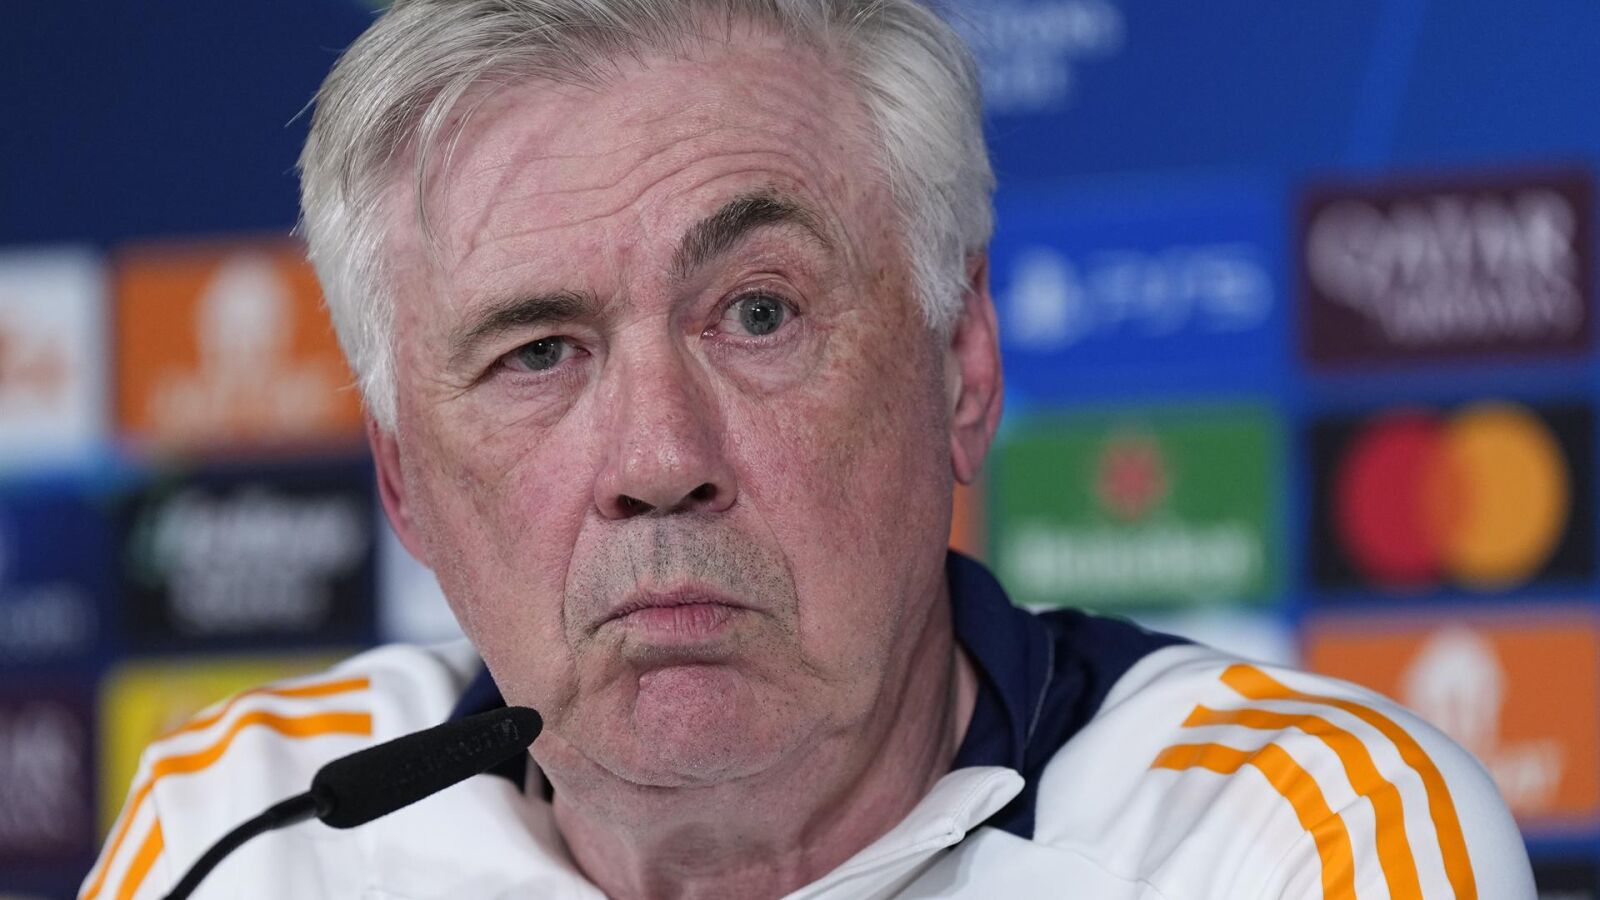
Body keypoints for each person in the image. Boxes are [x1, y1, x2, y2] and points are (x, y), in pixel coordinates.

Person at [83, 1, 1535, 897]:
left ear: (961, 367)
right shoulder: (249, 833)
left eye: (759, 312)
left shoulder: (1285, 843)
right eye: (537, 353)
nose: (659, 456)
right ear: (403, 479)